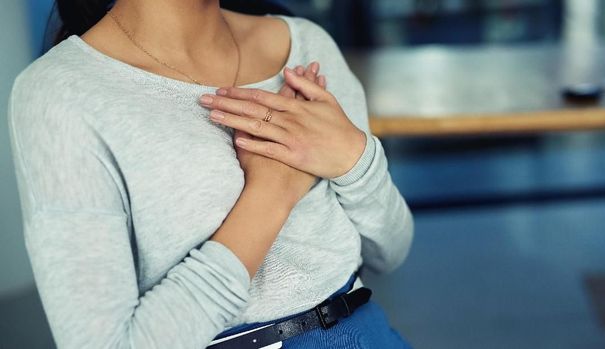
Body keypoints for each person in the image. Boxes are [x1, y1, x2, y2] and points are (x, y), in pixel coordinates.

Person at [7, 0, 415, 348]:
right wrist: (272, 193)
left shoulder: (306, 44)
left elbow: (390, 252)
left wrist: (355, 158)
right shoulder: (59, 94)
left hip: (367, 331)